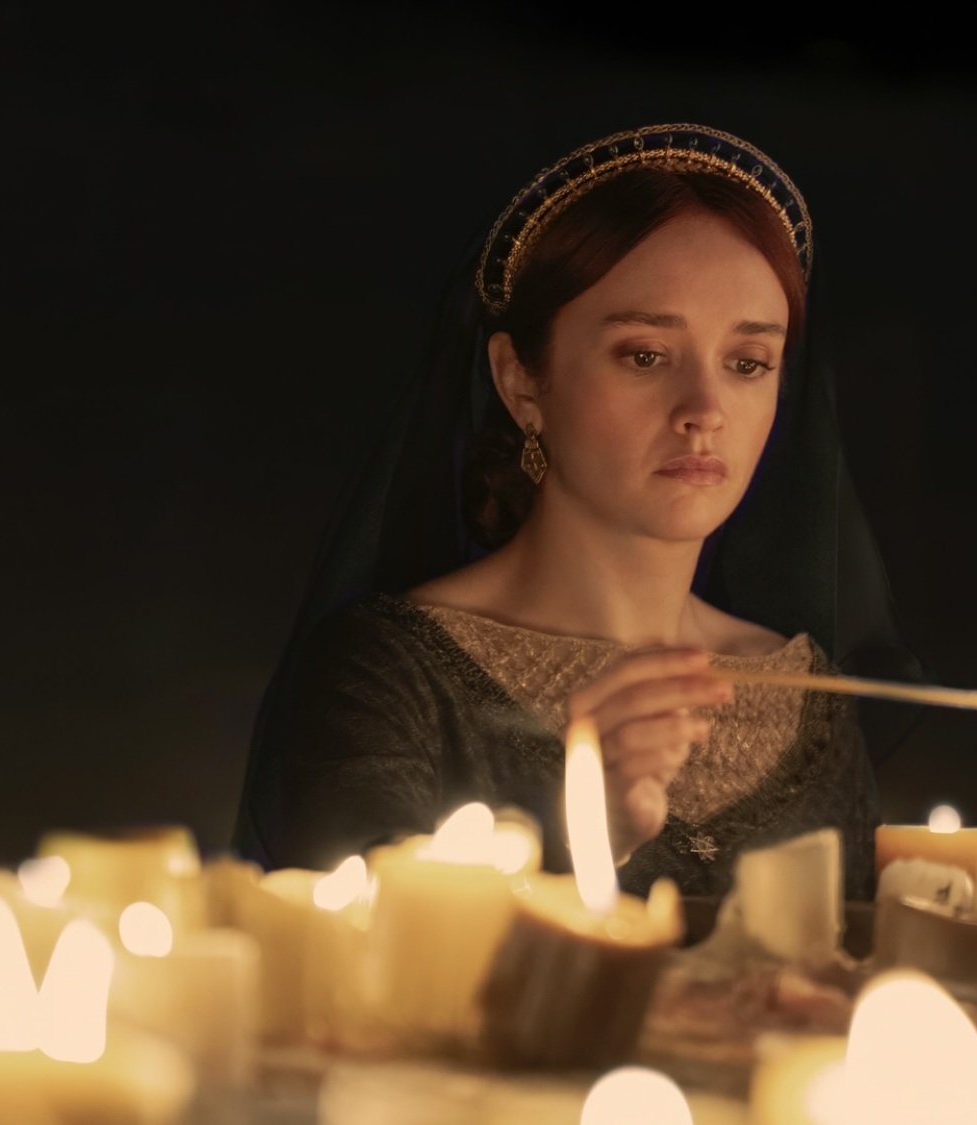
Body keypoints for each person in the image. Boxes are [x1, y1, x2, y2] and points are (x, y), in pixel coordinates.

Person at [233, 124, 924, 899]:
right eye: (645, 355)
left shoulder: (806, 702)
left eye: (747, 363)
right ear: (522, 382)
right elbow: (359, 967)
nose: (705, 409)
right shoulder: (390, 677)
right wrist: (583, 837)